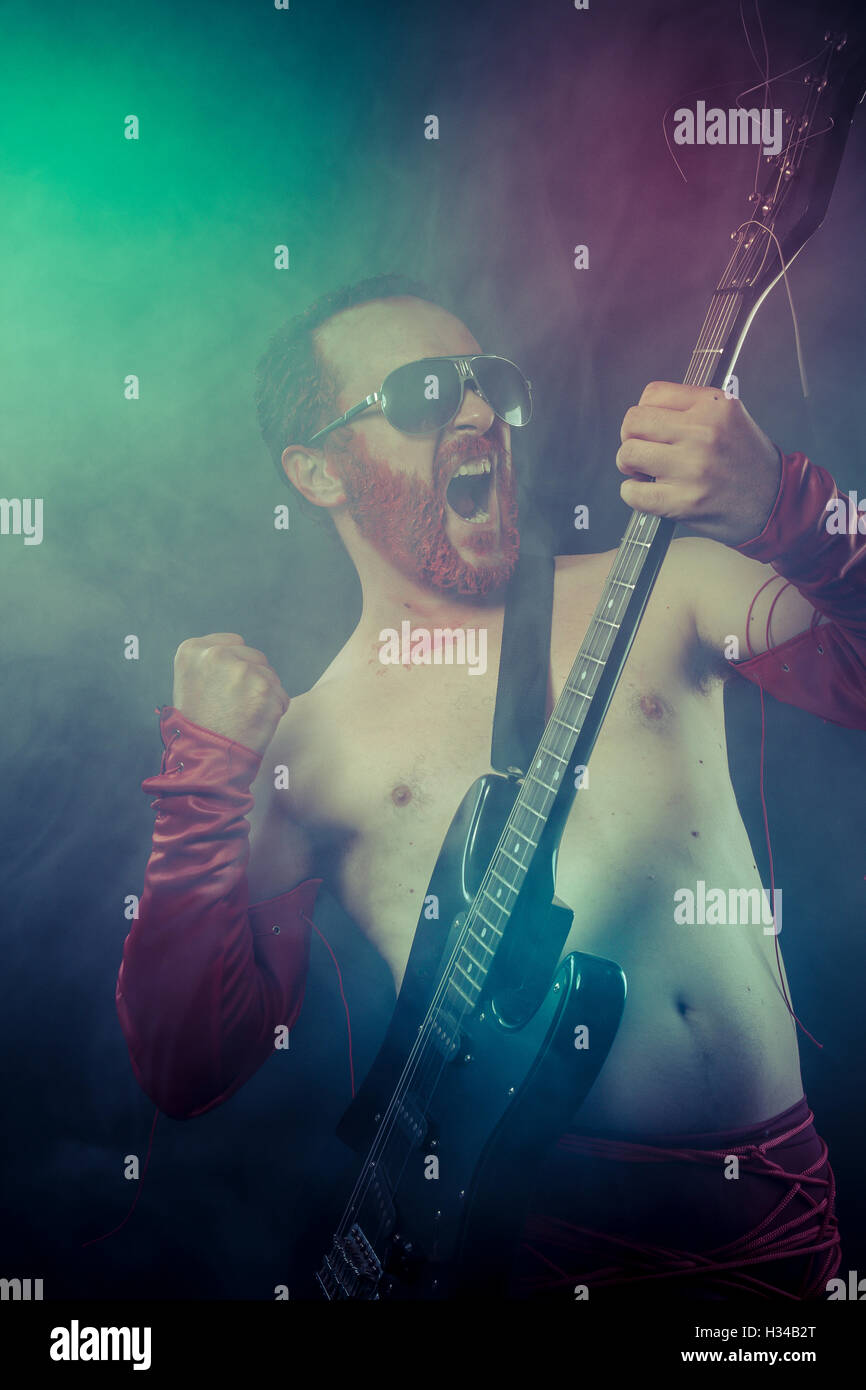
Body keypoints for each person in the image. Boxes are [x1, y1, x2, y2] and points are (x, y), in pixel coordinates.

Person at [116, 274, 866, 1300]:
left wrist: (788, 501)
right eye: (426, 395)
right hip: (541, 1249)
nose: (476, 413)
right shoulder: (306, 743)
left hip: (781, 1219)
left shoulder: (661, 579)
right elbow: (186, 1066)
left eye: (487, 386)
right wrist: (203, 772)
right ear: (318, 469)